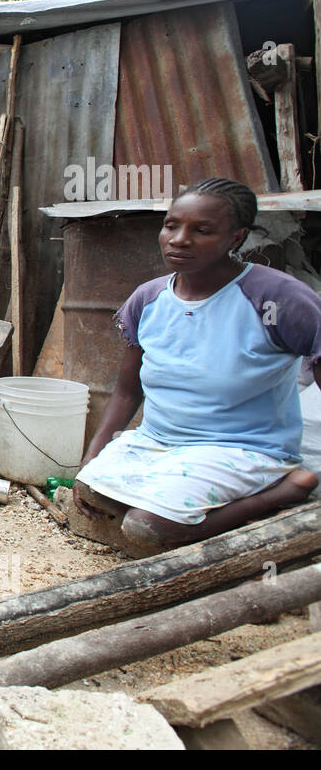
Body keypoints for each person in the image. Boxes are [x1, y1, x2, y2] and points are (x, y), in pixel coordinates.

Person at [74, 177, 321, 552]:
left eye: (201, 230)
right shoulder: (149, 299)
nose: (179, 239)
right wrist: (92, 456)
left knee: (146, 527)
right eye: (171, 225)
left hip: (241, 448)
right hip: (158, 441)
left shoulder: (276, 298)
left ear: (236, 237)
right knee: (90, 493)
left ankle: (281, 491)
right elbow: (127, 390)